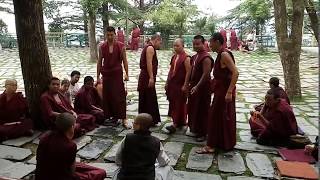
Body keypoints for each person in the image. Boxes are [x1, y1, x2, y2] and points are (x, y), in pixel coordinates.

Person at [197, 32, 239, 153]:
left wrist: (229, 92)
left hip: (224, 92)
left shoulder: (224, 54)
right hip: (220, 90)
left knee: (216, 116)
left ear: (217, 42)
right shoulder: (220, 54)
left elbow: (235, 72)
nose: (209, 45)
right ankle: (223, 142)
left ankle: (211, 146)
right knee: (221, 117)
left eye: (211, 42)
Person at [35, 113, 106, 180]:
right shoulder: (70, 146)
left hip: (41, 175)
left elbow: (39, 160)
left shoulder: (45, 138)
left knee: (82, 166)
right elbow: (72, 173)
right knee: (100, 172)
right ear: (72, 127)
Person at [115, 113, 170, 180]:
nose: (132, 124)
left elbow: (118, 157)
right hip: (146, 177)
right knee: (167, 167)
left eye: (134, 122)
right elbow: (163, 162)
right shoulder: (156, 142)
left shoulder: (128, 138)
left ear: (138, 126)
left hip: (126, 176)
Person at [97, 26, 130, 128]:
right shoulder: (102, 47)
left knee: (119, 96)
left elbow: (125, 61)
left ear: (115, 35)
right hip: (106, 74)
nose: (110, 37)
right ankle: (113, 117)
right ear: (106, 35)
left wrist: (127, 73)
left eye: (112, 35)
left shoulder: (121, 46)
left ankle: (123, 118)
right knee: (108, 96)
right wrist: (97, 76)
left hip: (117, 74)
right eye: (108, 35)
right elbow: (99, 62)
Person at [187, 35, 213, 142]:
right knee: (194, 109)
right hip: (193, 87)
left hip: (202, 88)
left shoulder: (206, 57)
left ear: (204, 43)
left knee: (202, 110)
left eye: (198, 44)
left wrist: (197, 86)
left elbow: (206, 74)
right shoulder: (195, 56)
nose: (195, 46)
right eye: (194, 44)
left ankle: (203, 132)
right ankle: (195, 129)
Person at [165, 38, 191, 134]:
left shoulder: (186, 58)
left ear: (183, 46)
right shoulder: (174, 57)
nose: (175, 48)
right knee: (173, 103)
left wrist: (185, 84)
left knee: (180, 103)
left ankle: (176, 123)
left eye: (177, 46)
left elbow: (189, 72)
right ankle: (178, 121)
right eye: (174, 46)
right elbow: (171, 70)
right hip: (173, 83)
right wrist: (167, 82)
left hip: (180, 84)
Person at [137, 34, 162, 126]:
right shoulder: (150, 48)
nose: (160, 44)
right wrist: (151, 77)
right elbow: (149, 63)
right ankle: (147, 120)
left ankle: (147, 121)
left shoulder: (149, 47)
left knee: (148, 98)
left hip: (147, 76)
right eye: (160, 42)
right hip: (147, 77)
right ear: (156, 40)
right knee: (147, 98)